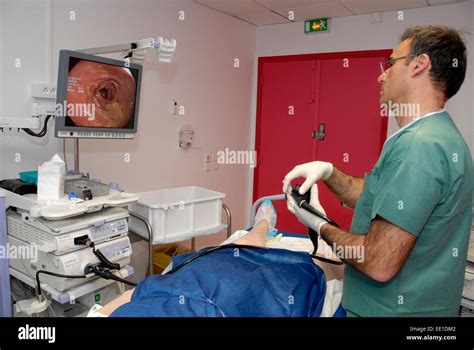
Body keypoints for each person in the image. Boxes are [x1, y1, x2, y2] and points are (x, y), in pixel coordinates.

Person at [283, 25, 473, 317]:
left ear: (419, 65)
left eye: (390, 63)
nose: (381, 75)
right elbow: (379, 197)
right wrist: (329, 171)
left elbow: (378, 262)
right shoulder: (440, 137)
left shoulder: (418, 147)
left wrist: (319, 225)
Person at [88, 200, 334, 317]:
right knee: (312, 267)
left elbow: (134, 294)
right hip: (239, 295)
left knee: (239, 249)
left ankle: (261, 225)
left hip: (188, 281)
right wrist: (323, 228)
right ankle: (264, 227)